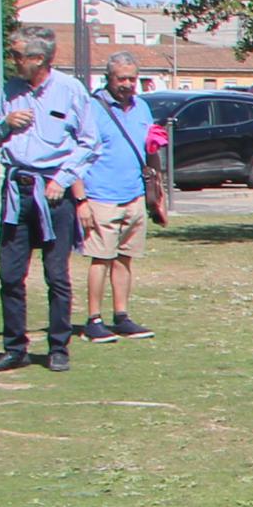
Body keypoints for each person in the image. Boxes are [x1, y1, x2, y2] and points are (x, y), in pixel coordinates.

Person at [0, 31, 103, 371]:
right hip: (16, 191)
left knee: (56, 275)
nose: (14, 61)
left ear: (38, 59)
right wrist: (5, 124)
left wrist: (62, 180)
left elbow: (89, 143)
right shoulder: (10, 90)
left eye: (18, 55)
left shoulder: (70, 90)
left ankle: (58, 348)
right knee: (10, 276)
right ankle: (14, 348)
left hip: (53, 194)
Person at [78, 53, 170, 341]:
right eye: (122, 79)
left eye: (132, 79)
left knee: (125, 258)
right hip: (101, 195)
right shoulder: (93, 109)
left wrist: (157, 189)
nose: (128, 84)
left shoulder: (142, 108)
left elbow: (149, 149)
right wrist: (81, 200)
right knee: (100, 258)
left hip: (134, 195)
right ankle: (94, 319)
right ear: (109, 78)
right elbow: (77, 155)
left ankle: (122, 315)